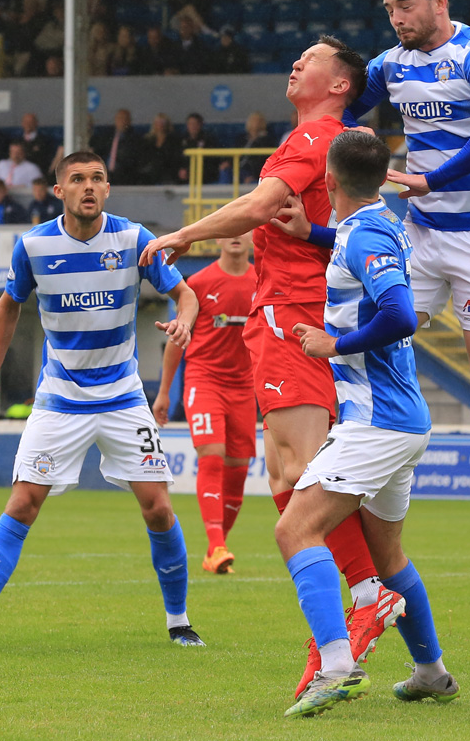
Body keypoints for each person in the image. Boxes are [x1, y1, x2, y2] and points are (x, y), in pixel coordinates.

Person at [140, 36, 403, 701]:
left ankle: (365, 603)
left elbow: (259, 208)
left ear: (340, 83)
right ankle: (361, 636)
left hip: (295, 317)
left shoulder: (315, 134)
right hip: (285, 316)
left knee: (307, 477)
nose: (295, 63)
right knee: (289, 475)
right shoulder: (326, 141)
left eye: (311, 58)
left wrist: (182, 234)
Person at [0, 150, 205, 650]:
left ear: (108, 189)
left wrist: (185, 321)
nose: (89, 186)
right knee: (21, 503)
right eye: (78, 179)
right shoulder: (34, 245)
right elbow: (8, 307)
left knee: (158, 509)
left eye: (98, 178)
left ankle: (179, 621)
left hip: (124, 398)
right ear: (59, 190)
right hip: (60, 398)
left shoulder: (134, 239)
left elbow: (186, 294)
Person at [277, 130, 458, 718]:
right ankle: (431, 672)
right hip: (399, 420)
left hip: (377, 423)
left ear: (327, 182)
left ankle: (335, 666)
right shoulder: (373, 224)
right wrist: (313, 234)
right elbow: (362, 250)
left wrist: (334, 345)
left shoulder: (369, 233)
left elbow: (401, 314)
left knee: (294, 531)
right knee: (387, 559)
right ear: (381, 180)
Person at [344, 0, 470, 537]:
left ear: (438, 1)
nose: (396, 18)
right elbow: (344, 107)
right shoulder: (391, 64)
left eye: (406, 5)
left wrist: (432, 178)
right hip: (419, 233)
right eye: (390, 8)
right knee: (379, 330)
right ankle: (376, 449)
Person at [153, 234, 257, 574]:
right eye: (230, 230)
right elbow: (176, 340)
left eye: (244, 229)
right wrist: (165, 392)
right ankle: (216, 544)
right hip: (204, 380)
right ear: (218, 239)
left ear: (255, 236)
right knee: (212, 457)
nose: (237, 237)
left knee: (238, 471)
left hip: (245, 386)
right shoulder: (199, 283)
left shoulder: (262, 281)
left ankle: (217, 548)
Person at [92, 108, 140, 185]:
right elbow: (99, 152)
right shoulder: (107, 136)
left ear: (129, 121)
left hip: (123, 176)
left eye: (125, 119)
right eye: (119, 118)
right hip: (103, 173)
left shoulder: (134, 139)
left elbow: (131, 161)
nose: (122, 121)